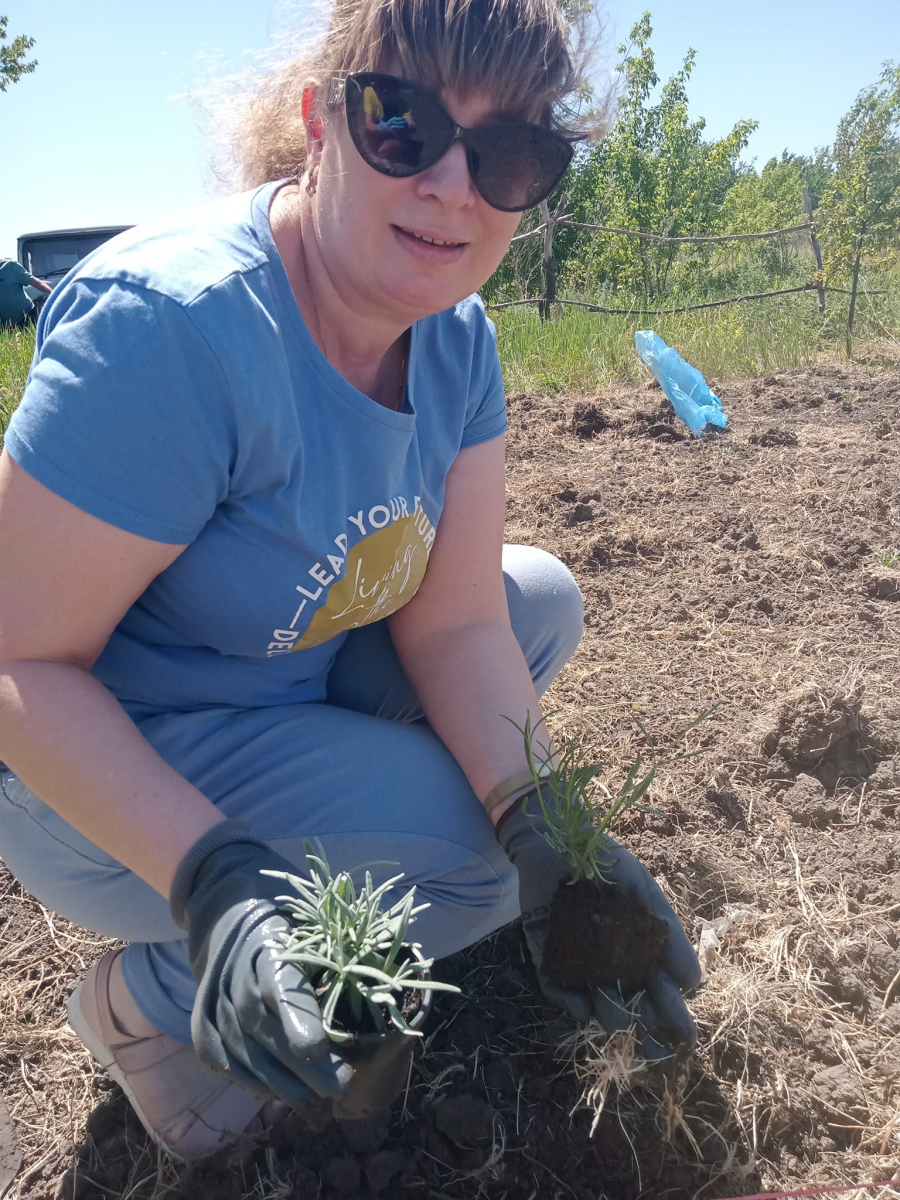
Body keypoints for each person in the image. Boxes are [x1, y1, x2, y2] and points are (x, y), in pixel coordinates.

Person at [0, 0, 701, 1163]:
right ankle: (158, 1000)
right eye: (402, 125)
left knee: (538, 603)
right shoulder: (175, 334)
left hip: (284, 673)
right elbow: (17, 660)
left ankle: (371, 837)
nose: (449, 186)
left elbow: (463, 618)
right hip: (91, 763)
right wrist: (215, 879)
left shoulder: (457, 338)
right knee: (467, 866)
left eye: (510, 154)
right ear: (325, 120)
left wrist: (546, 823)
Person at [0, 256, 52, 328]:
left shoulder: (10, 266)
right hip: (4, 327)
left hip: (26, 316)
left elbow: (34, 282)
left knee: (34, 338)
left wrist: (52, 293)